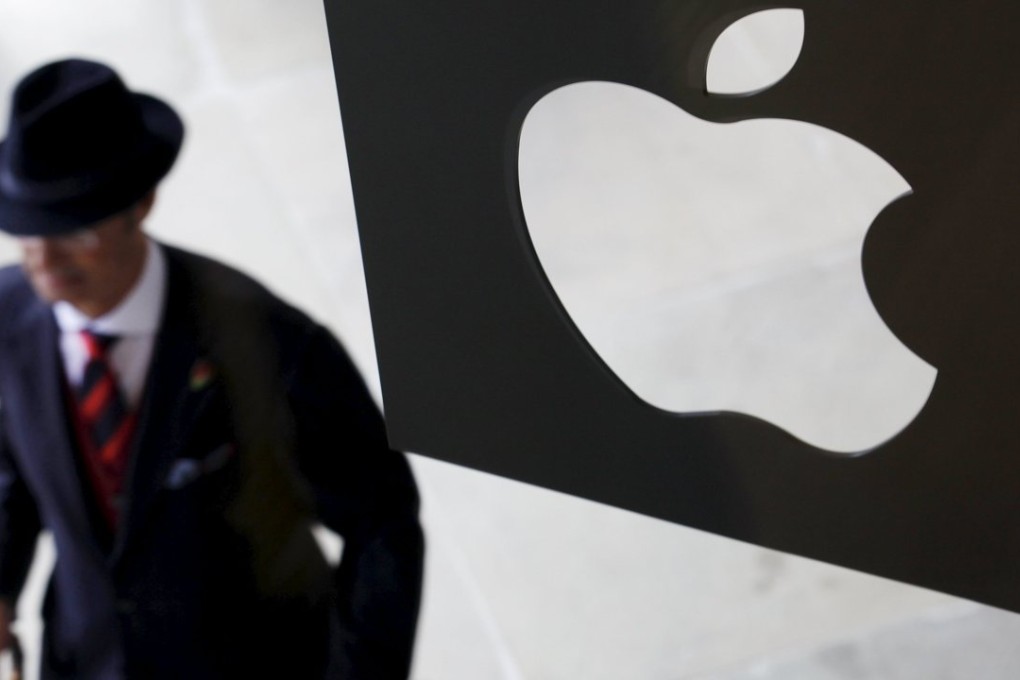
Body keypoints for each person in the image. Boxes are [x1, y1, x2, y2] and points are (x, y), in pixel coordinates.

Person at [0, 58, 424, 679]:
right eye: (27, 232)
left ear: (142, 203)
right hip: (85, 660)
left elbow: (382, 519)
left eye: (75, 230)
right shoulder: (6, 327)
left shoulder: (272, 344)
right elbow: (13, 478)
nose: (43, 261)